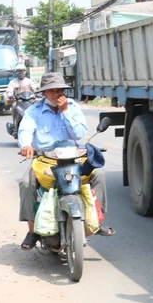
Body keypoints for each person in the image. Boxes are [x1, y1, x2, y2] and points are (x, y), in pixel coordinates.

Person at [17, 72, 113, 249]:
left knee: (98, 175)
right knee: (25, 182)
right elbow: (25, 131)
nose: (56, 94)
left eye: (59, 90)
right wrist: (26, 145)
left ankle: (96, 220)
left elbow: (78, 134)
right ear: (43, 93)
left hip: (72, 158)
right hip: (45, 161)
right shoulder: (33, 111)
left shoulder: (72, 107)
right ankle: (32, 231)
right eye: (51, 90)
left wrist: (65, 112)